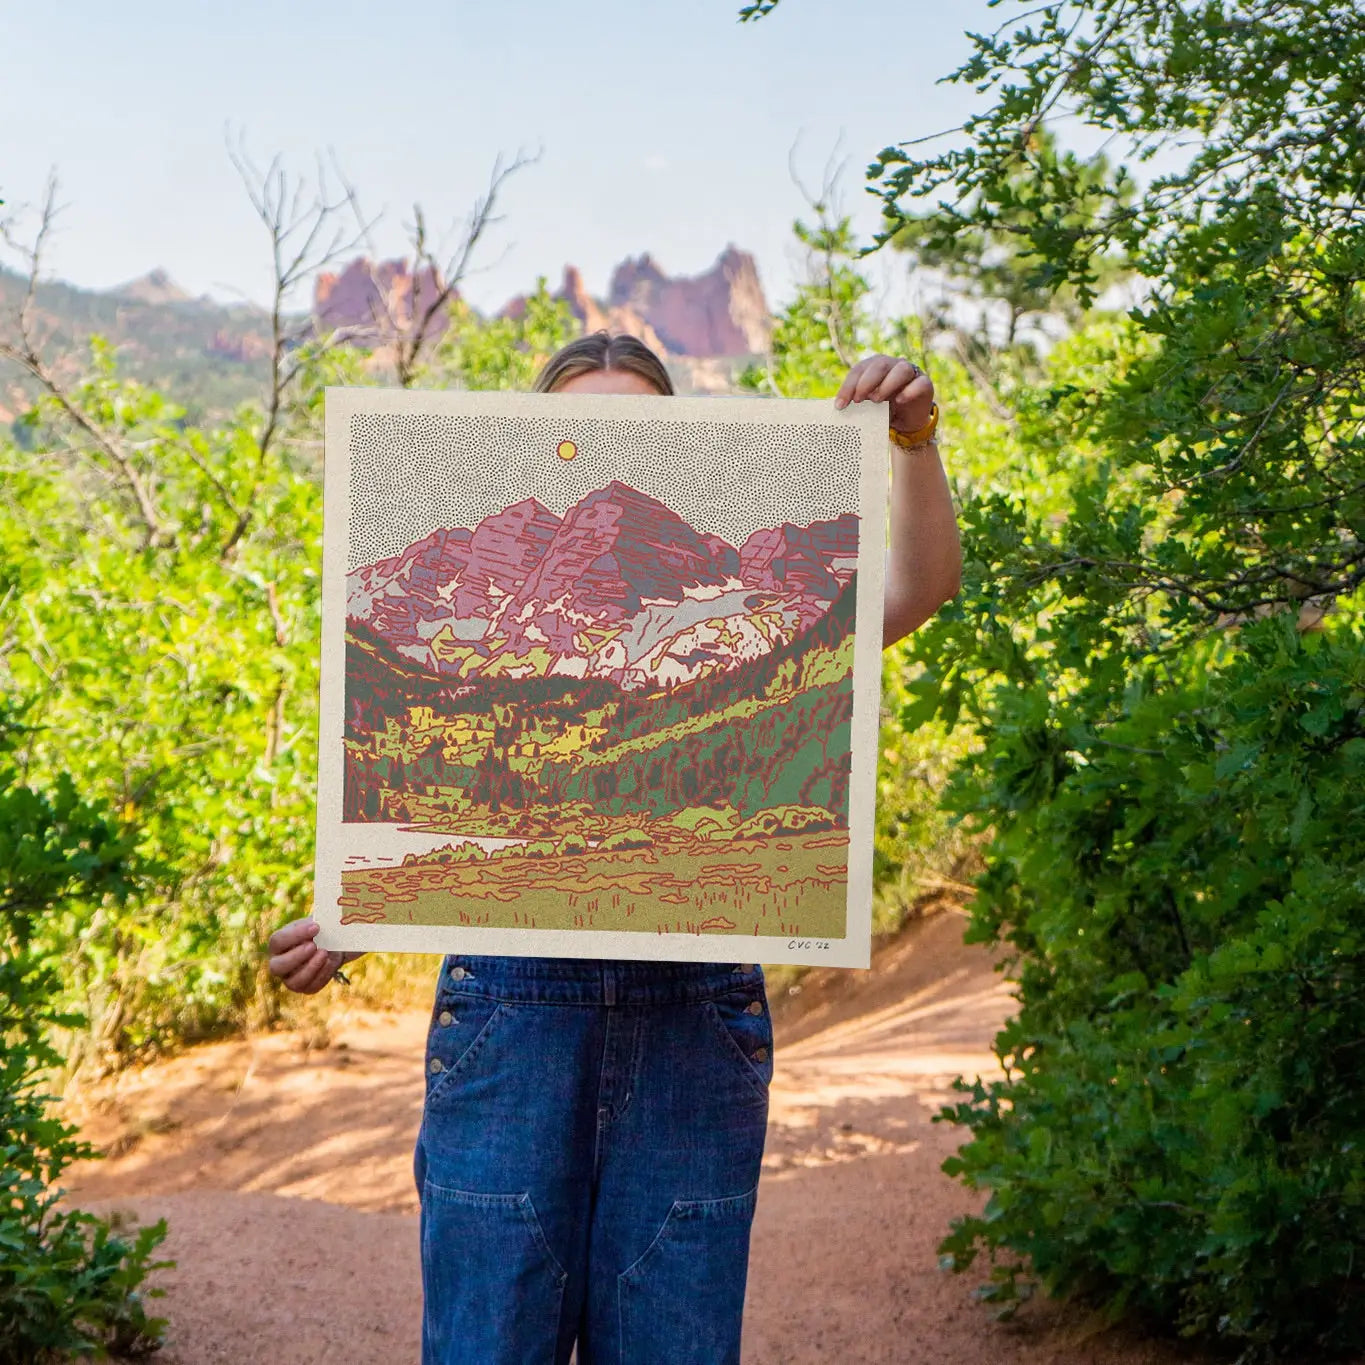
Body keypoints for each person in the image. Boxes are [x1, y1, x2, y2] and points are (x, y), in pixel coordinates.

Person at [267, 333, 961, 1365]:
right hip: (508, 1014)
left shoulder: (752, 596)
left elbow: (923, 587)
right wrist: (365, 912)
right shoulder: (475, 603)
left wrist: (913, 442)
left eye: (635, 427)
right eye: (577, 429)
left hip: (695, 1018)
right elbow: (473, 808)